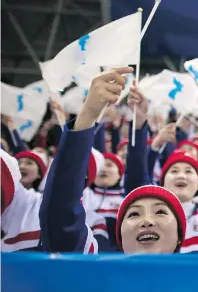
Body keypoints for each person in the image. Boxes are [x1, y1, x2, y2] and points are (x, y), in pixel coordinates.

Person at [39, 67, 186, 255]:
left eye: (160, 212)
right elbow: (60, 216)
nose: (147, 221)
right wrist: (87, 116)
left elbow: (137, 180)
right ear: (119, 238)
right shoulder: (96, 271)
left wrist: (141, 125)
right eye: (133, 214)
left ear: (181, 235)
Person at [124, 81, 198, 254]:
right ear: (160, 183)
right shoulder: (147, 221)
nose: (181, 176)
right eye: (174, 171)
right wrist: (140, 123)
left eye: (189, 171)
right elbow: (137, 173)